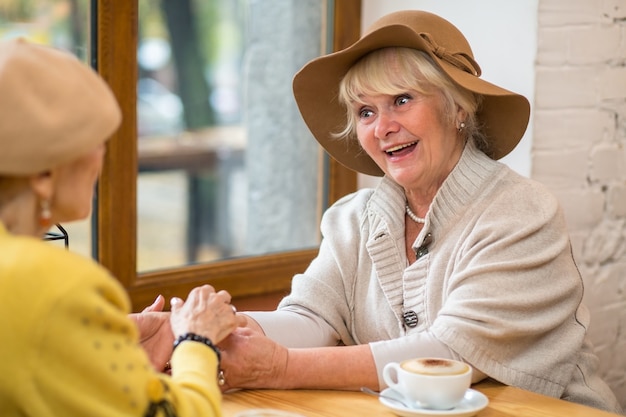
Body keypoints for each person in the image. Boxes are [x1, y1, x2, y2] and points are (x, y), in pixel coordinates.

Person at [215, 10, 623, 414]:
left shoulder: (522, 213)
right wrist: (219, 331)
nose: (382, 128)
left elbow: (449, 351)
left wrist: (281, 367)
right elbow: (311, 317)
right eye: (365, 112)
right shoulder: (350, 219)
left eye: (402, 100)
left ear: (458, 108)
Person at [0, 38, 246, 416]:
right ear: (44, 173)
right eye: (93, 139)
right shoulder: (53, 285)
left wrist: (101, 349)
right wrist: (196, 341)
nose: (103, 154)